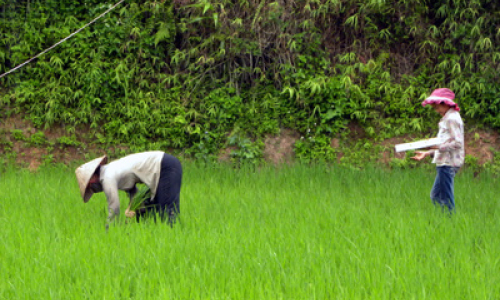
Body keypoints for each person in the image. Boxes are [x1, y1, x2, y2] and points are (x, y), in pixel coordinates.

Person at [75, 151, 182, 225]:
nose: (94, 189)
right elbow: (135, 195)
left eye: (90, 186)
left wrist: (109, 229)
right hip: (164, 166)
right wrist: (133, 210)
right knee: (146, 212)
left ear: (93, 178)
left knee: (168, 213)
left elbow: (114, 207)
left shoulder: (107, 177)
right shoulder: (113, 169)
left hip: (165, 167)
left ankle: (175, 239)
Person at [411, 88, 464, 212]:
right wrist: (427, 153)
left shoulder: (452, 119)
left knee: (445, 197)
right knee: (435, 196)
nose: (436, 110)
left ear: (445, 104)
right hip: (444, 161)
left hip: (448, 163)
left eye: (436, 107)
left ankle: (450, 222)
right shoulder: (448, 117)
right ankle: (443, 220)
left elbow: (458, 143)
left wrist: (438, 147)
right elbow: (445, 141)